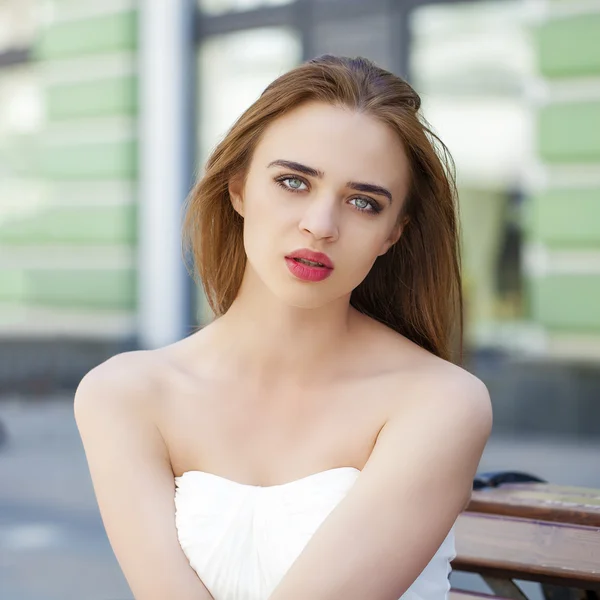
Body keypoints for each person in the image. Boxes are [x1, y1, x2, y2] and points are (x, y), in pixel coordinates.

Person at [74, 55, 492, 600]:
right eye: (294, 182)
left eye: (363, 202)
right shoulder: (124, 394)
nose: (320, 226)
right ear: (239, 188)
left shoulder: (440, 403)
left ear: (393, 233)